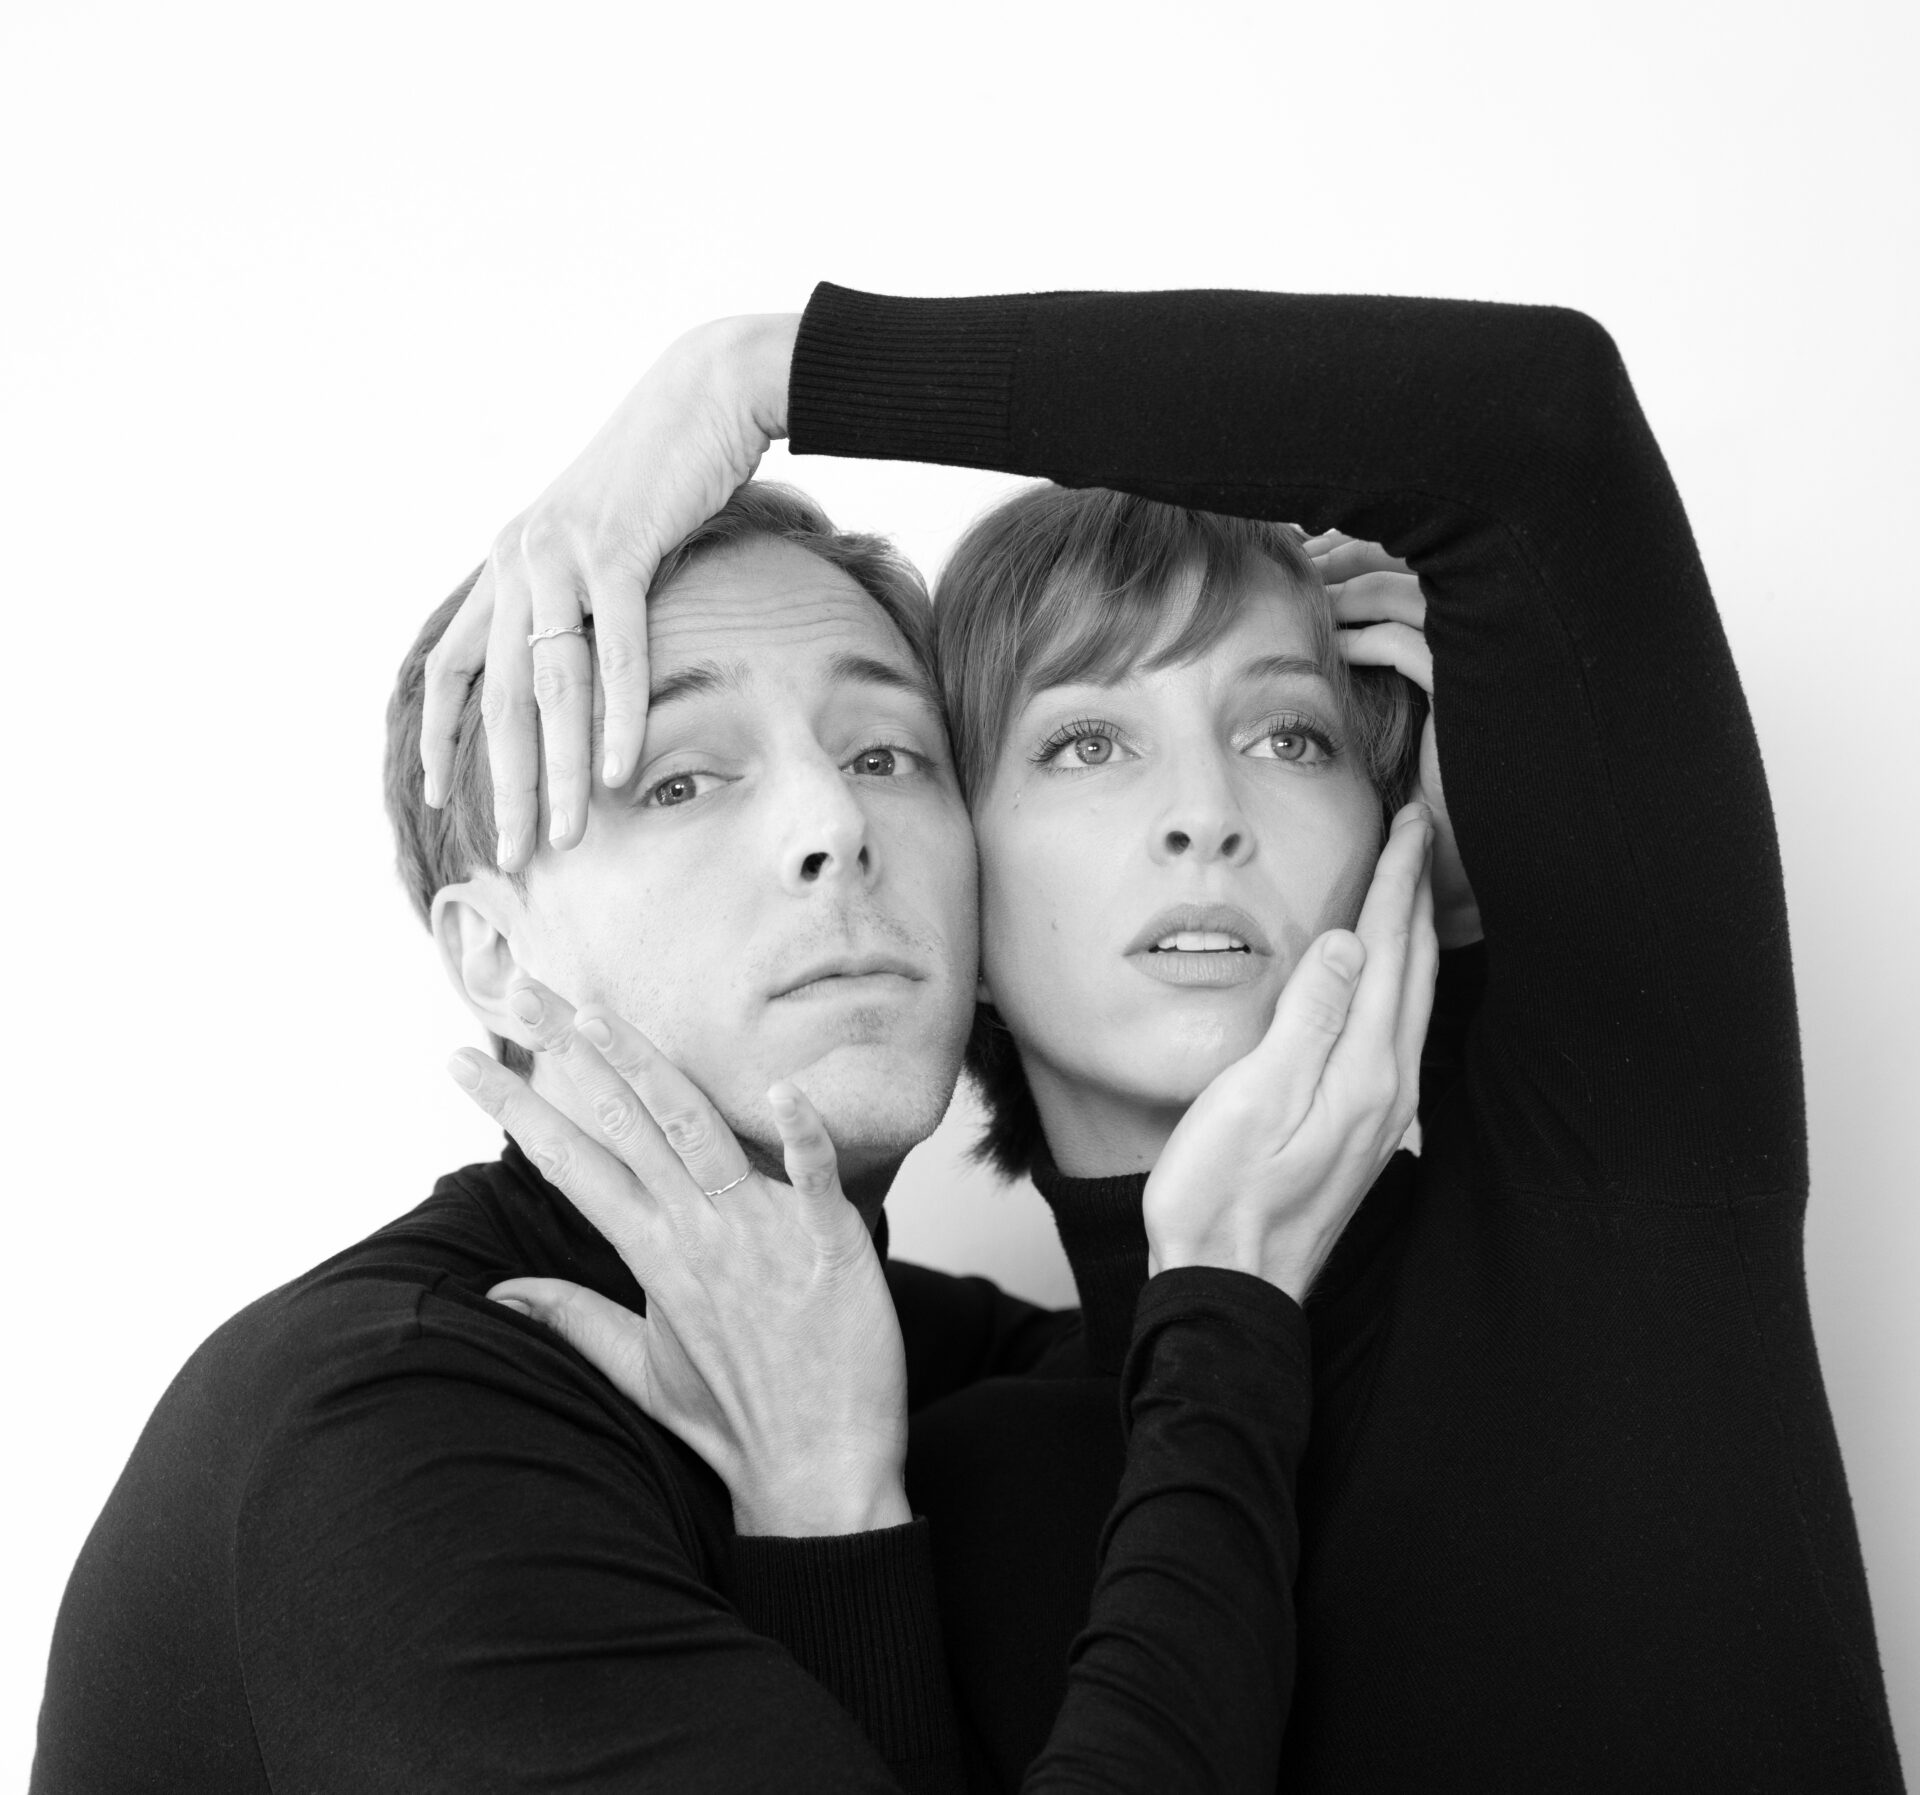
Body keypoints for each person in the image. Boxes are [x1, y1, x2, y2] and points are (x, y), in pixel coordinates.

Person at [438, 287, 1908, 1793]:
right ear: (952, 887)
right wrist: (831, 1523)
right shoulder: (933, 1476)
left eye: (1291, 736)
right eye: (1087, 743)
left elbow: (1535, 423)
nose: (1207, 812)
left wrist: (757, 375)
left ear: (1387, 823)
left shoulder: (1613, 1183)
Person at [30, 479, 1436, 1792]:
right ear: (498, 959)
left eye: (885, 753)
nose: (836, 822)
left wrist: (1460, 836)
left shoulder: (931, 1363)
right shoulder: (391, 1442)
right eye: (681, 781)